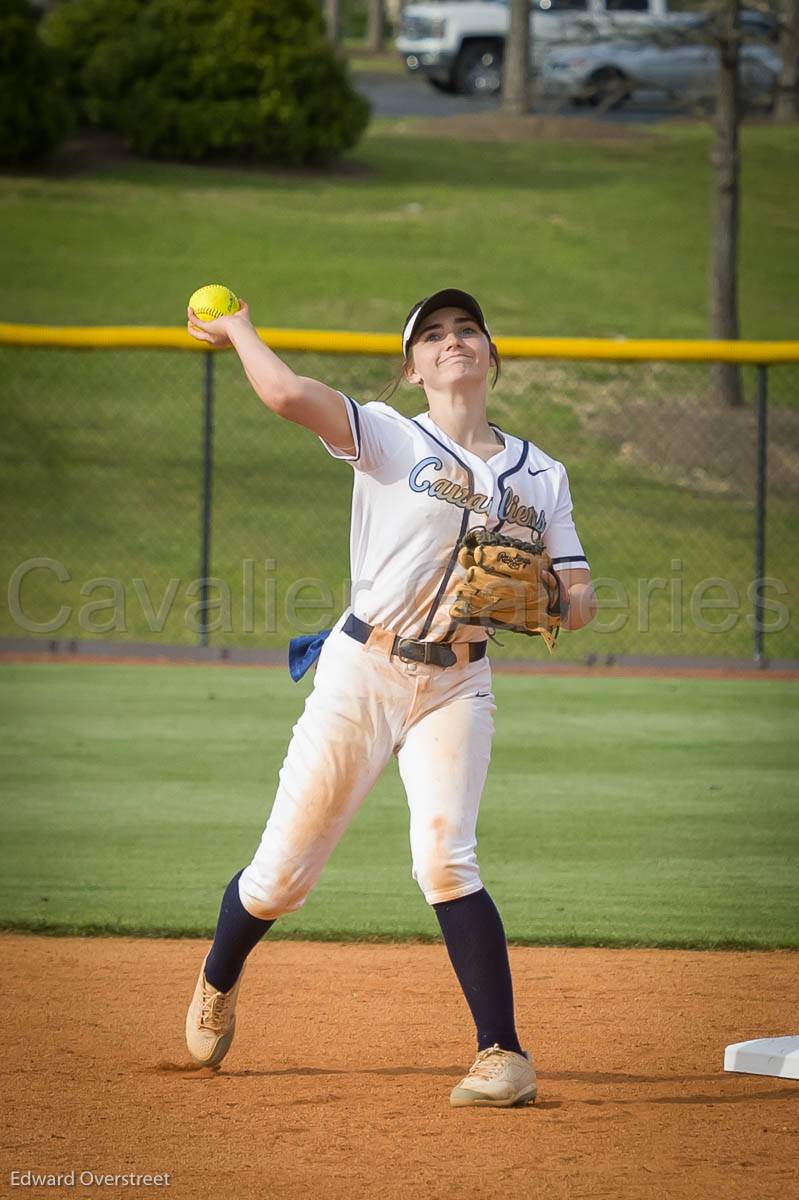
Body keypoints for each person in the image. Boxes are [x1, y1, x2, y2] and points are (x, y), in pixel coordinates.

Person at [184, 288, 596, 1107]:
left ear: (489, 355)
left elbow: (580, 597)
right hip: (362, 671)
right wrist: (237, 329)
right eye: (432, 336)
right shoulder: (385, 432)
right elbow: (283, 395)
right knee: (279, 880)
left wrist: (547, 595)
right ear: (411, 370)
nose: (452, 341)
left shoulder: (539, 472)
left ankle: (502, 1056)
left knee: (445, 858)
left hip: (459, 680)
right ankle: (217, 978)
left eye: (466, 329)